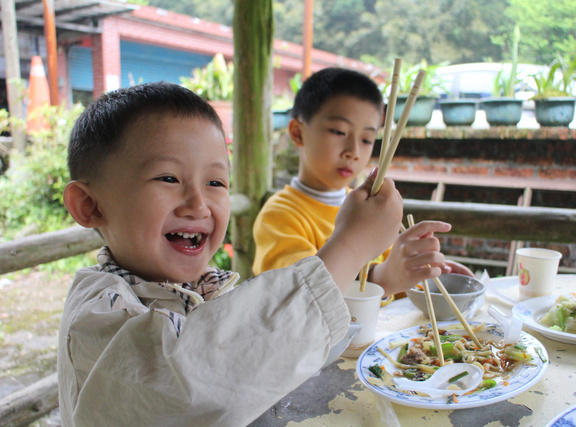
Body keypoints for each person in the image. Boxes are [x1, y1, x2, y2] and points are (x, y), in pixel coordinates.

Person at [57, 81, 413, 426]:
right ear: (89, 205)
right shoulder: (97, 316)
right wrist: (349, 247)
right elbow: (192, 380)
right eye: (167, 178)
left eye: (215, 183)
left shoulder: (199, 289)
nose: (198, 205)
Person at [253, 67, 472, 291]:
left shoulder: (369, 210)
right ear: (298, 133)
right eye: (339, 132)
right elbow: (300, 294)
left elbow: (395, 275)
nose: (354, 151)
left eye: (367, 139)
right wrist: (382, 278)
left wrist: (423, 274)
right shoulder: (279, 216)